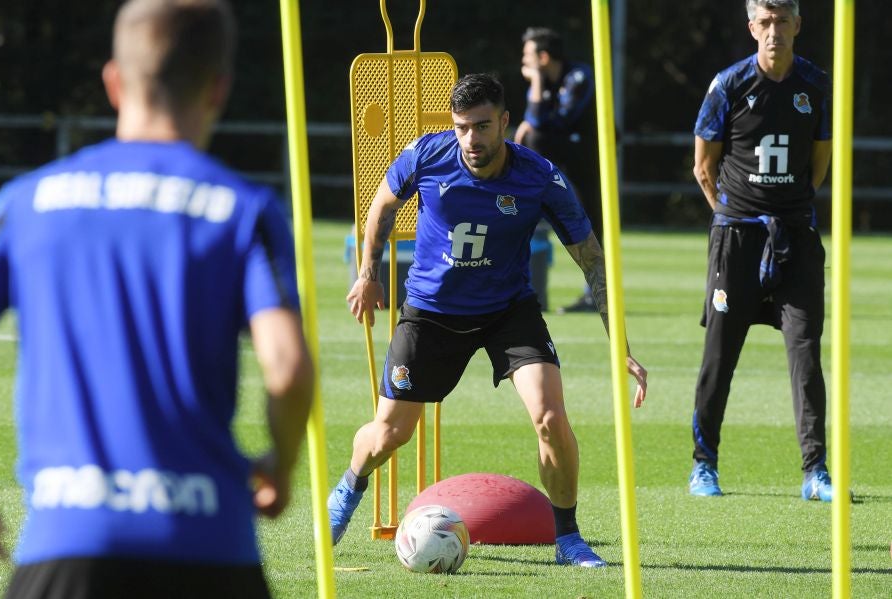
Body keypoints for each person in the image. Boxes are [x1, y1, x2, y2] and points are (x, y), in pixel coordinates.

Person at [0, 0, 314, 597]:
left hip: (66, 545)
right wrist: (281, 466)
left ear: (114, 82)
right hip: (210, 548)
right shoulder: (241, 211)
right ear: (218, 88)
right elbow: (288, 369)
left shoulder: (25, 205)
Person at [328, 73, 648, 568]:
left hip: (507, 312)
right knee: (390, 434)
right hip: (431, 313)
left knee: (550, 418)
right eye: (461, 128)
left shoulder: (538, 175)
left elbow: (591, 259)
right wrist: (368, 273)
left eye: (481, 127)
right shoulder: (427, 155)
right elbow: (381, 207)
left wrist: (619, 345)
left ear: (505, 122)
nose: (470, 141)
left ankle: (568, 537)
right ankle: (348, 489)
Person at [688, 0, 835, 501]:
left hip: (795, 237)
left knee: (806, 352)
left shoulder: (815, 85)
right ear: (752, 27)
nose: (774, 31)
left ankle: (816, 472)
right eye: (764, 22)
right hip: (737, 240)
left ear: (797, 24)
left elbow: (819, 162)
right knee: (720, 355)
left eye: (782, 21)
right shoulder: (728, 84)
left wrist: (790, 205)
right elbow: (703, 166)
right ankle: (703, 465)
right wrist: (730, 215)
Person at [515, 26, 602, 314]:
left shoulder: (579, 77)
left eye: (527, 54)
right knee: (532, 134)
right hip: (566, 155)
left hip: (590, 156)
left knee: (594, 225)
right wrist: (532, 118)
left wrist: (537, 84)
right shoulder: (546, 81)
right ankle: (537, 191)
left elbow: (559, 121)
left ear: (543, 56)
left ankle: (596, 296)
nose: (523, 61)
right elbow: (535, 118)